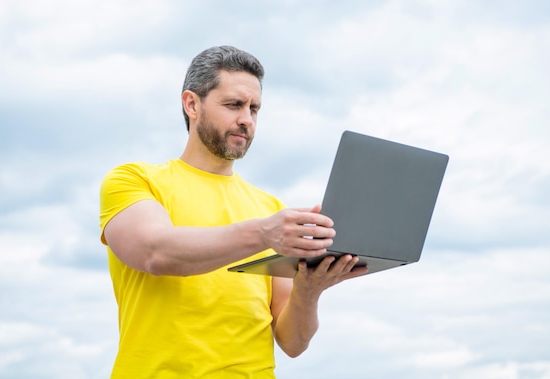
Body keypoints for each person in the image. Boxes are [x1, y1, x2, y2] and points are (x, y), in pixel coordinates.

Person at [99, 45, 368, 379]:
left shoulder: (269, 209)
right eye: (233, 105)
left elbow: (293, 342)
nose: (246, 118)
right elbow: (156, 252)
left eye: (254, 108)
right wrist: (263, 233)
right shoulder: (135, 180)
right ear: (191, 104)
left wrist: (309, 289)